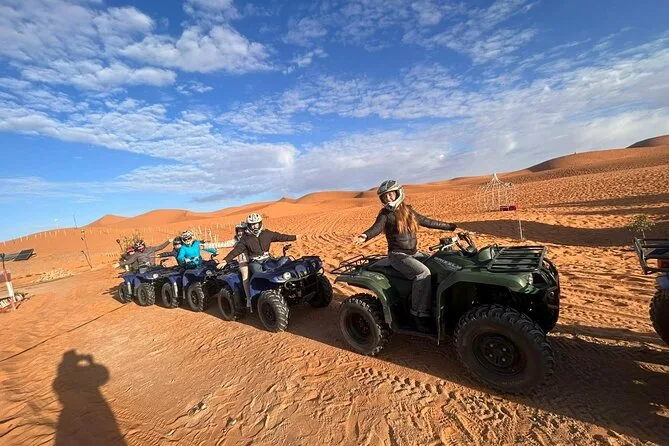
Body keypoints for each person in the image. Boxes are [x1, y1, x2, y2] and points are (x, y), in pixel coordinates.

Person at [353, 180, 456, 333]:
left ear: (398, 193)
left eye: (390, 195)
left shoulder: (409, 211)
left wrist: (449, 227)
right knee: (423, 273)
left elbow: (427, 221)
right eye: (385, 196)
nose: (388, 198)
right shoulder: (385, 214)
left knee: (439, 264)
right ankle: (418, 314)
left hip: (414, 253)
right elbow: (377, 228)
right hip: (398, 255)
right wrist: (365, 236)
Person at [217, 214, 300, 279]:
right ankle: (257, 294)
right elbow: (236, 250)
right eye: (252, 224)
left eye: (256, 224)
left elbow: (281, 236)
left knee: (284, 264)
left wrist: (295, 237)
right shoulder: (245, 239)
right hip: (255, 262)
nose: (254, 226)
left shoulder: (267, 233)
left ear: (260, 223)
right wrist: (226, 260)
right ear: (249, 225)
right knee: (259, 276)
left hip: (267, 259)